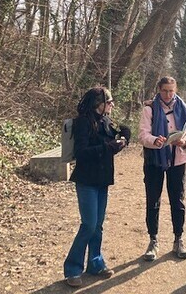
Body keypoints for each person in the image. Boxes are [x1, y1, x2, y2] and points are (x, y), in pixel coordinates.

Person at [64, 87, 131, 288]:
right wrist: (107, 147)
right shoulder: (83, 122)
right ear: (98, 103)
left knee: (98, 225)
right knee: (89, 224)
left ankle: (95, 263)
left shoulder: (106, 121)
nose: (112, 105)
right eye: (109, 102)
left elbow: (110, 147)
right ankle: (72, 269)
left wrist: (123, 139)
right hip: (86, 180)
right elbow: (81, 153)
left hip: (102, 180)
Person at [138, 76, 186, 261]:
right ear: (159, 89)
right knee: (153, 200)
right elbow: (142, 134)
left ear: (176, 90)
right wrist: (155, 141)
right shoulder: (149, 109)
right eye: (164, 90)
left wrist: (185, 141)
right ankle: (153, 240)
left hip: (178, 159)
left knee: (177, 201)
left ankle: (178, 239)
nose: (168, 94)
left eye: (171, 91)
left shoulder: (184, 108)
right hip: (154, 160)